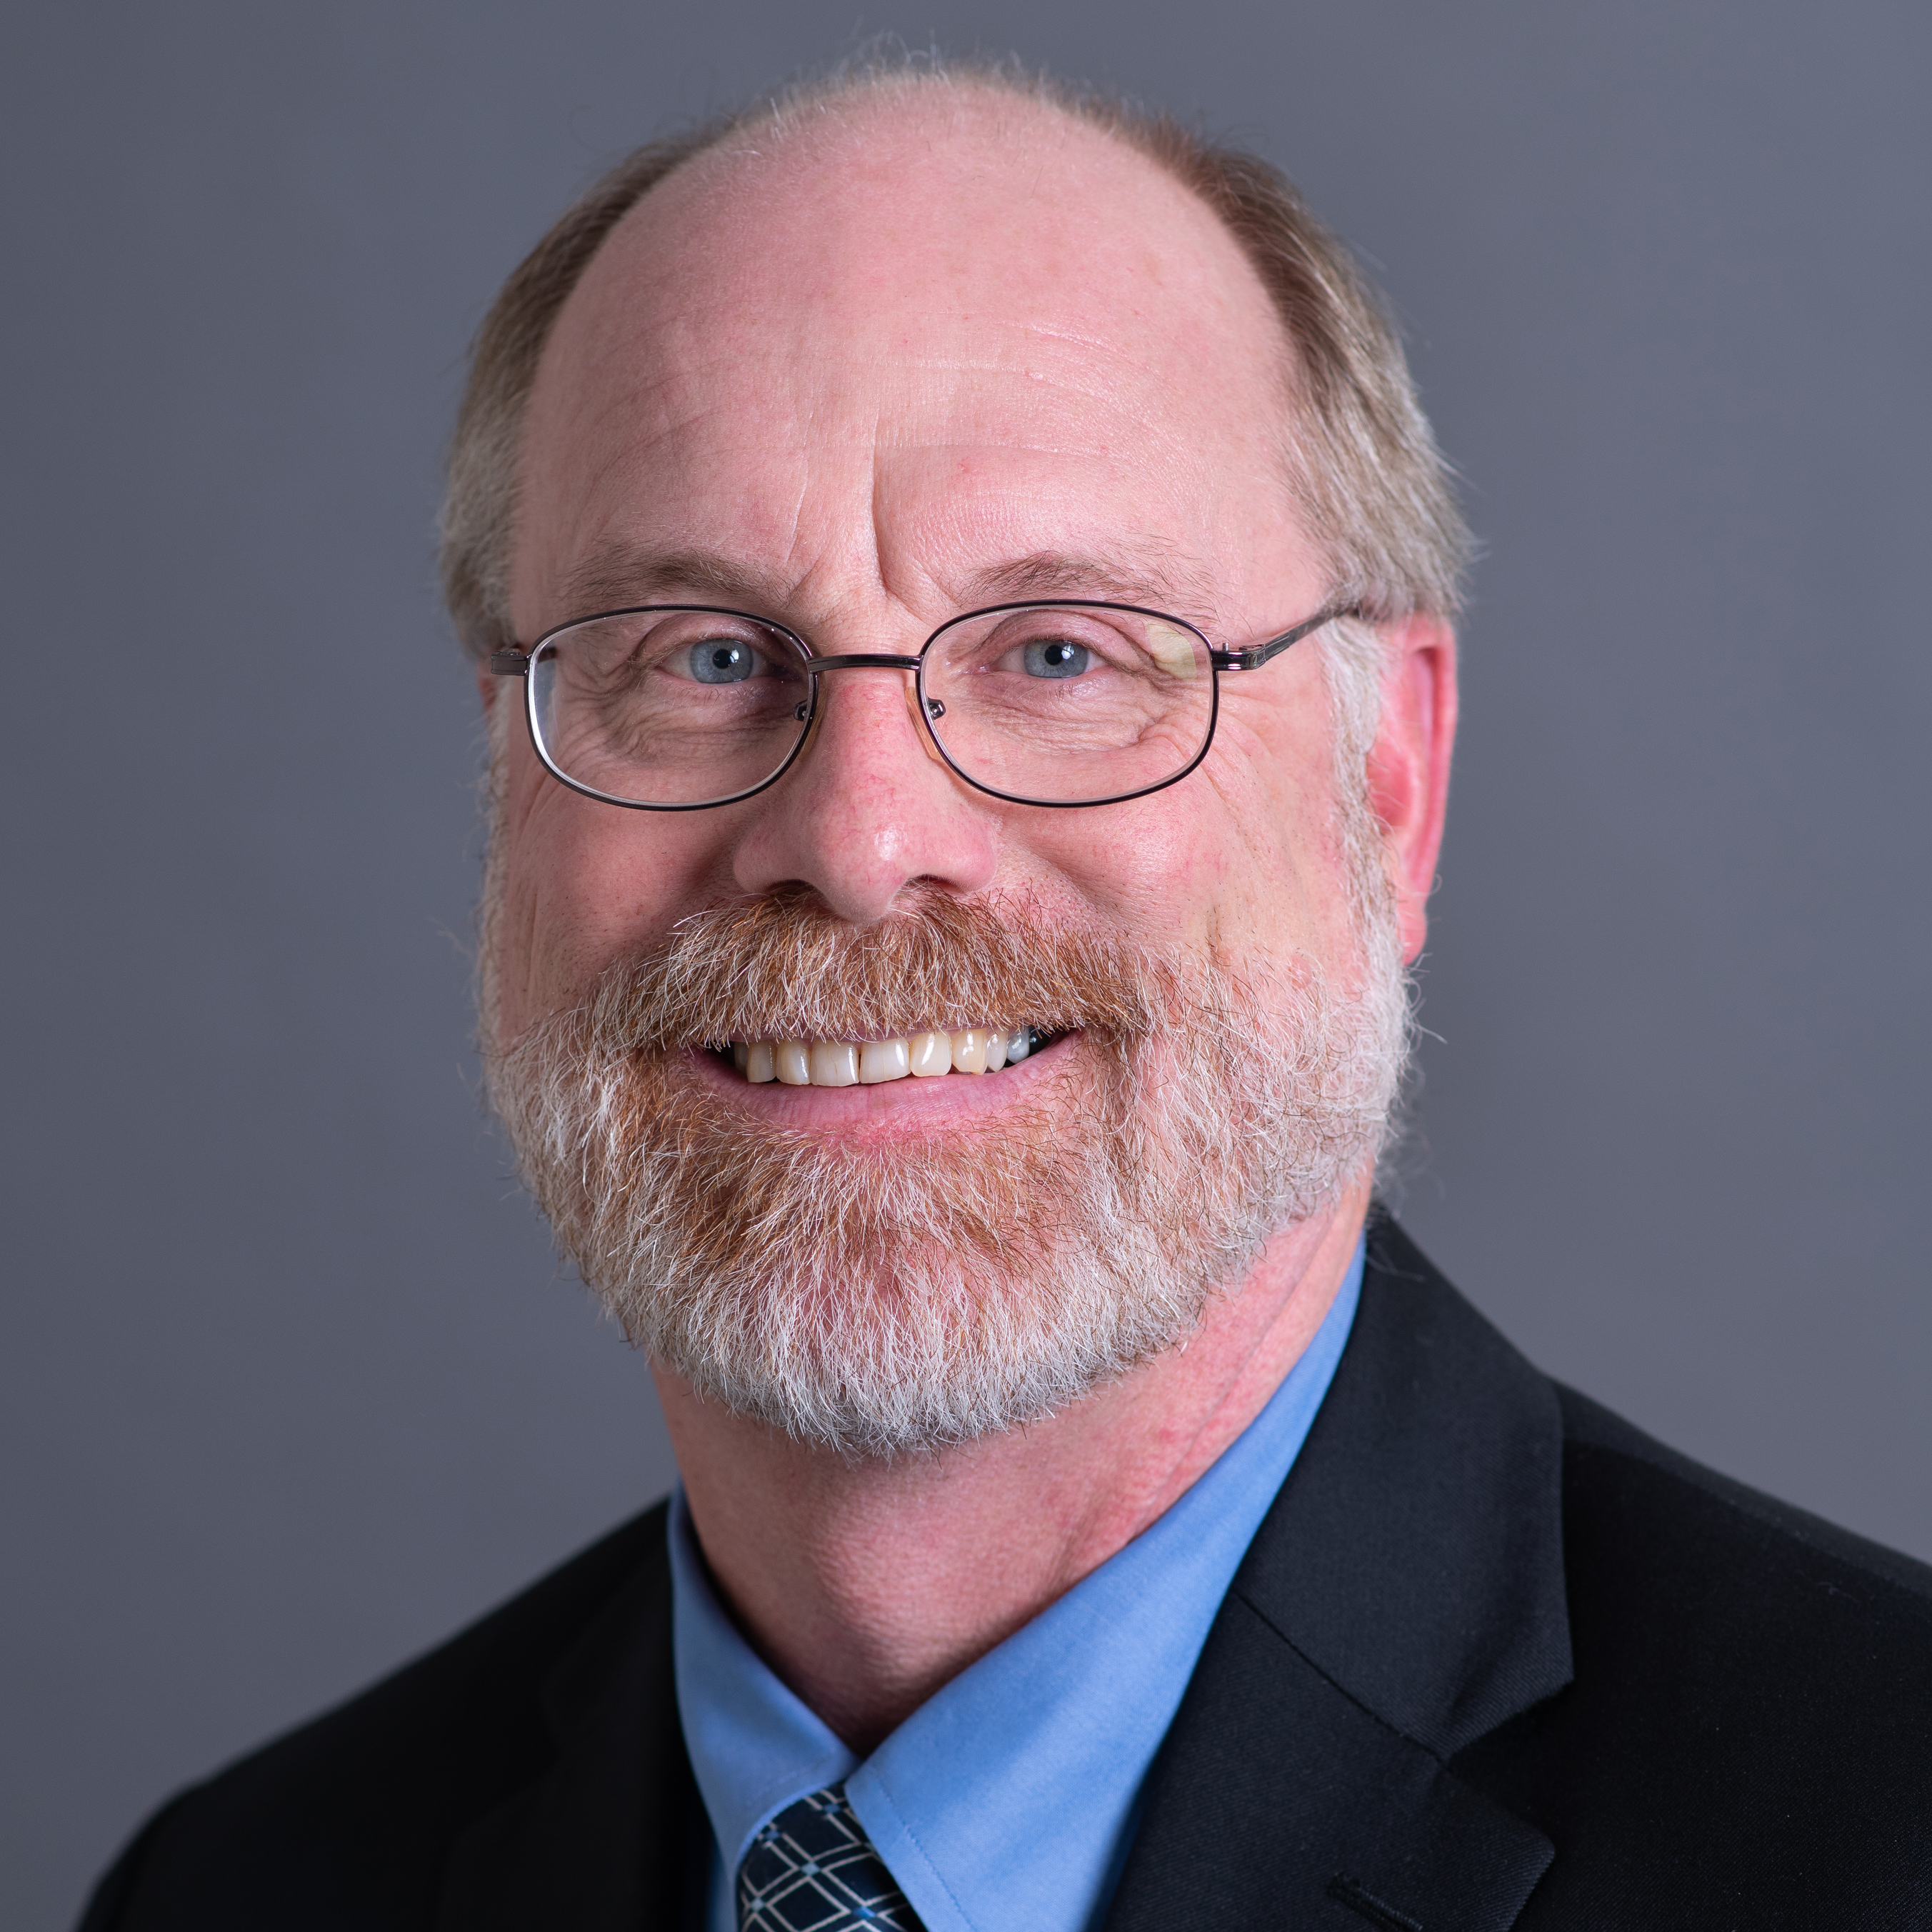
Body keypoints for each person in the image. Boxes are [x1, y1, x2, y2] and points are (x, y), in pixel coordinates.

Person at [80, 62, 1931, 1932]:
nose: (859, 838)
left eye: (1060, 653)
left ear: (1389, 783)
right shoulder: (241, 1892)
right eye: (701, 658)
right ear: (508, 768)